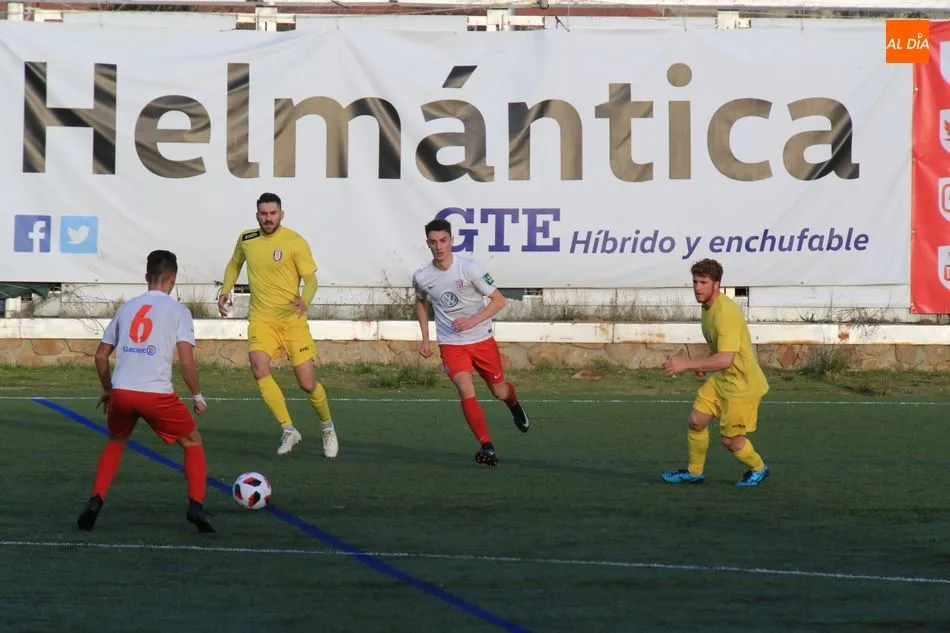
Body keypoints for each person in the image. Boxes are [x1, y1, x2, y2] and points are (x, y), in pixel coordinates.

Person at [77, 250, 215, 533]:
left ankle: (95, 501)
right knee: (192, 441)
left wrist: (108, 389)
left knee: (117, 441)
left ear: (146, 277)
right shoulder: (179, 311)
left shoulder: (127, 307)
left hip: (123, 392)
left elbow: (101, 356)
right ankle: (196, 505)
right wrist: (197, 395)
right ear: (173, 279)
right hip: (156, 394)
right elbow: (186, 361)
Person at [217, 192, 338, 458]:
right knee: (259, 368)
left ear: (282, 215)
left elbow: (311, 280)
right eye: (263, 214)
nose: (268, 218)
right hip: (261, 319)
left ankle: (327, 427)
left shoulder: (295, 241)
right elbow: (234, 265)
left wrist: (305, 300)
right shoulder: (247, 238)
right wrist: (225, 290)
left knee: (307, 383)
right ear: (257, 215)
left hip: (292, 321)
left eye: (273, 213)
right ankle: (288, 429)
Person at [412, 218, 529, 467]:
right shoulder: (422, 276)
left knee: (499, 392)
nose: (439, 246)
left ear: (451, 241)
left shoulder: (469, 268)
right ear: (427, 244)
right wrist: (425, 338)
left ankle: (513, 403)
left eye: (443, 240)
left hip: (481, 340)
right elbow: (420, 302)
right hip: (451, 344)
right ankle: (487, 447)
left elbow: (499, 301)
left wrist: (472, 321)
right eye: (433, 242)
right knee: (465, 387)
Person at [661, 258, 770, 487]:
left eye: (703, 282)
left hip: (742, 386)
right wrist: (703, 367)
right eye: (695, 282)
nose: (697, 288)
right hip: (722, 379)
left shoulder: (725, 313)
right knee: (696, 421)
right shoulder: (707, 307)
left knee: (730, 441)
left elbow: (726, 359)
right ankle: (694, 473)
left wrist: (688, 364)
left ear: (717, 284)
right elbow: (719, 350)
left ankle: (759, 468)